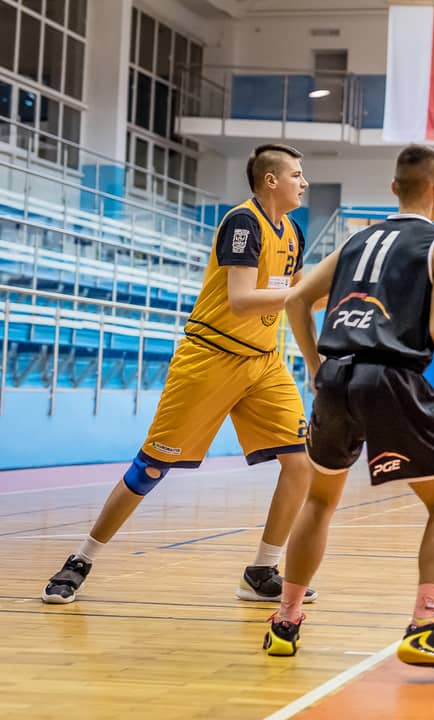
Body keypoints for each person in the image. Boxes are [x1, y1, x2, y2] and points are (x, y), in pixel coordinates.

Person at [41, 144, 317, 606]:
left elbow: (300, 301)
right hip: (210, 357)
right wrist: (309, 289)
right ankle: (80, 560)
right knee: (151, 466)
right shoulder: (243, 223)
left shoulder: (293, 232)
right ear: (271, 181)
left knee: (300, 463)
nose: (304, 182)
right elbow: (242, 301)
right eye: (296, 174)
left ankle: (261, 570)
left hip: (264, 362)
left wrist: (322, 344)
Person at [264, 145, 434, 674]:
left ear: (394, 188)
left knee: (319, 500)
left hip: (336, 378)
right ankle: (426, 627)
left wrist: (315, 364)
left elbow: (296, 298)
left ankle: (285, 621)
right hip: (391, 378)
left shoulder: (356, 239)